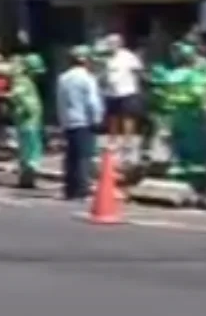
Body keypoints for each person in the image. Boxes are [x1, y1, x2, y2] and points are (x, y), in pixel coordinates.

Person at [57, 45, 104, 200]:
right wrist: (97, 119)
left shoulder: (63, 78)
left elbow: (61, 102)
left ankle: (70, 189)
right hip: (84, 121)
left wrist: (62, 121)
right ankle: (82, 189)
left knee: (71, 156)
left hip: (69, 121)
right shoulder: (87, 78)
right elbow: (92, 102)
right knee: (84, 156)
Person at [162, 42, 206, 184]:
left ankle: (177, 168)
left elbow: (166, 95)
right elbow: (198, 93)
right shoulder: (193, 75)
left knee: (177, 139)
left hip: (175, 111)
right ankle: (195, 175)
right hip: (191, 111)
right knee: (194, 141)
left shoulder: (173, 74)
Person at [102, 33, 144, 165]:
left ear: (119, 44)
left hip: (127, 91)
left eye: (113, 43)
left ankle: (127, 142)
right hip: (111, 92)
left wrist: (137, 85)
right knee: (112, 117)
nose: (110, 46)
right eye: (109, 43)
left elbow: (138, 70)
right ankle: (112, 141)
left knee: (128, 117)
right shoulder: (106, 58)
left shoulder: (128, 56)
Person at [8, 56, 44, 189]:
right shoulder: (23, 81)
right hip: (28, 121)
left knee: (28, 150)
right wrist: (28, 108)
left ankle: (27, 179)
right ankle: (27, 176)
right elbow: (16, 95)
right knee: (30, 151)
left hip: (29, 120)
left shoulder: (27, 81)